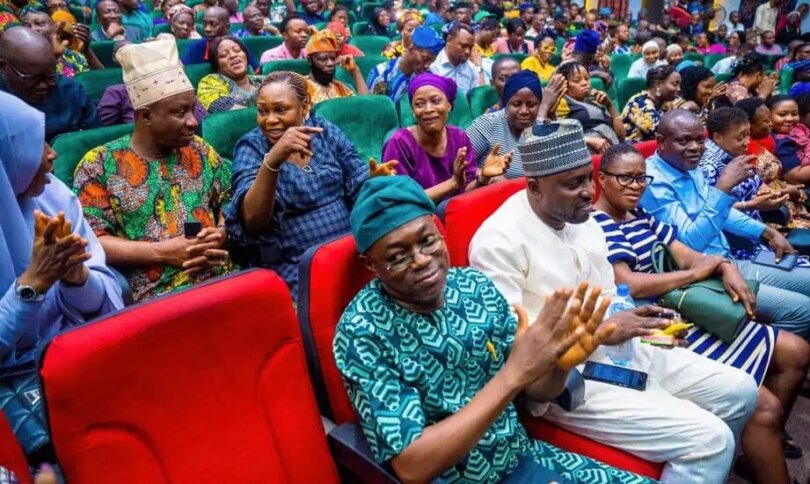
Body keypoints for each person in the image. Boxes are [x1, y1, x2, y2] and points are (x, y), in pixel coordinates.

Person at [468, 119, 759, 483]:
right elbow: (519, 354)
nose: (589, 192)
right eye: (573, 184)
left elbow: (609, 294)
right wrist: (602, 331)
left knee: (741, 391)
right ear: (535, 187)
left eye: (588, 179)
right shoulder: (498, 242)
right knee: (711, 440)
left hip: (620, 349)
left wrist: (645, 324)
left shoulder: (584, 220)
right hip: (563, 379)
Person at [334, 175, 656, 483]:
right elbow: (412, 466)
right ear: (370, 264)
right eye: (398, 256)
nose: (420, 260)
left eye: (427, 241)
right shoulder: (363, 332)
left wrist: (559, 363)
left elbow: (537, 390)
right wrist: (512, 376)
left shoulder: (474, 287)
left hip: (521, 457)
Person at [594, 143, 810, 479]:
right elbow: (629, 283)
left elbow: (686, 254)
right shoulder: (598, 223)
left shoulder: (639, 215)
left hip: (685, 304)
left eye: (641, 178)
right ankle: (758, 438)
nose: (635, 186)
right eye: (625, 178)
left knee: (797, 351)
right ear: (602, 179)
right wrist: (695, 274)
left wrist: (723, 265)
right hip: (654, 324)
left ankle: (757, 443)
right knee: (764, 408)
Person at [0, 89, 123, 464]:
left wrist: (76, 277)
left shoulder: (52, 195)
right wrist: (32, 285)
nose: (52, 155)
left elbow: (105, 301)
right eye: (36, 144)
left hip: (70, 356)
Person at [72, 40, 233, 303]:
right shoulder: (99, 164)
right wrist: (162, 252)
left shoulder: (199, 149)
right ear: (146, 116)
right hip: (156, 296)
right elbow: (92, 241)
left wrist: (222, 232)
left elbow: (229, 202)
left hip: (222, 279)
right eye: (180, 112)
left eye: (192, 109)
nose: (193, 122)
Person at [641, 109, 810, 339]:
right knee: (802, 311)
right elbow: (690, 244)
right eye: (684, 140)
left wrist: (765, 232)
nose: (695, 147)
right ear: (661, 142)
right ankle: (769, 354)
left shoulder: (688, 165)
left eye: (700, 140)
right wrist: (722, 189)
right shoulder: (653, 182)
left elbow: (721, 212)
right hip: (702, 277)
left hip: (729, 261)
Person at [225, 71, 368, 297]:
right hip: (298, 270)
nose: (270, 120)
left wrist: (374, 179)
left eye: (281, 109)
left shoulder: (323, 131)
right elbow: (253, 221)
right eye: (262, 111)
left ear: (304, 106)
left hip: (350, 254)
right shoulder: (252, 147)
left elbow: (359, 180)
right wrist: (273, 160)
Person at [382, 73, 510, 202]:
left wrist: (482, 178)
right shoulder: (399, 143)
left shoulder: (459, 137)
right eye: (419, 104)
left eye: (435, 101)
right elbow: (401, 199)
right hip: (418, 212)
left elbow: (466, 191)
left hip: (456, 209)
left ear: (449, 105)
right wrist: (453, 183)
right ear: (413, 111)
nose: (428, 109)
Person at [0, 27, 99, 142]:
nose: (43, 86)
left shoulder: (71, 91)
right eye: (32, 79)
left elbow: (98, 138)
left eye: (50, 77)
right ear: (3, 67)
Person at [467, 71, 565, 179]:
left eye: (531, 105)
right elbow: (458, 163)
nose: (524, 111)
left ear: (539, 105)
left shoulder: (545, 129)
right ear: (506, 104)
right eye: (516, 104)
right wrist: (485, 176)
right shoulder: (488, 125)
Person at [737, 97, 810, 229]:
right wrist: (785, 191)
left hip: (788, 205)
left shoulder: (764, 142)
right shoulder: (741, 151)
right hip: (771, 215)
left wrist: (788, 188)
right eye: (766, 121)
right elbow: (753, 191)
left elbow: (772, 179)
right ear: (749, 124)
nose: (771, 124)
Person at [555, 60, 624, 153]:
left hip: (616, 150)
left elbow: (621, 136)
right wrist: (587, 139)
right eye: (577, 80)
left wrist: (610, 106)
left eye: (587, 78)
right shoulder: (562, 103)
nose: (584, 83)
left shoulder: (595, 102)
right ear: (564, 83)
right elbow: (557, 135)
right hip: (588, 155)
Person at [367, 25, 443, 102]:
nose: (427, 65)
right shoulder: (382, 74)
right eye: (425, 59)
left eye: (431, 61)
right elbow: (376, 107)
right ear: (411, 48)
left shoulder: (430, 76)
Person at [20, 7, 103, 78]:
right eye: (27, 26)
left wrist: (87, 50)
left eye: (39, 24)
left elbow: (101, 79)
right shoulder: (20, 58)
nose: (33, 29)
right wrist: (55, 57)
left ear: (54, 28)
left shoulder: (71, 55)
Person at [197, 36, 262, 114]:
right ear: (217, 65)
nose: (233, 55)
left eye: (237, 50)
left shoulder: (264, 80)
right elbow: (230, 112)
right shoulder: (209, 82)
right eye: (224, 55)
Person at [304, 29, 368, 105]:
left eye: (333, 58)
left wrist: (355, 70)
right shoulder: (301, 87)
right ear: (309, 60)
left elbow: (365, 103)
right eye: (323, 59)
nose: (330, 63)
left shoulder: (340, 87)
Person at [621, 65, 680, 142]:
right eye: (674, 84)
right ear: (657, 84)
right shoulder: (639, 103)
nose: (679, 89)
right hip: (635, 147)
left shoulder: (667, 103)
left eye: (679, 85)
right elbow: (664, 133)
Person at [430, 23, 490, 94]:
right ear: (449, 40)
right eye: (463, 46)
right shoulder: (433, 66)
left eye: (470, 47)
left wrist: (478, 67)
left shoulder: (471, 68)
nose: (467, 52)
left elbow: (480, 96)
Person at [769, 95, 810, 185]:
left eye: (794, 114)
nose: (790, 119)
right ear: (768, 116)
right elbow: (796, 177)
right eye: (782, 114)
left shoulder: (800, 129)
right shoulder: (780, 143)